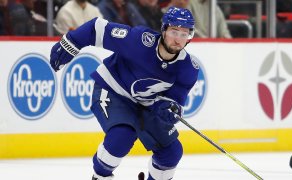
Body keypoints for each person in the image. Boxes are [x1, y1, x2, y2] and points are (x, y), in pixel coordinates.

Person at [50, 6, 200, 180]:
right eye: (174, 31)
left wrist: (170, 108)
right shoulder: (138, 40)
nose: (178, 40)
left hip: (146, 105)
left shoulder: (188, 68)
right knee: (121, 136)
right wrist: (70, 42)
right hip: (112, 90)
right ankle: (100, 176)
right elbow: (96, 28)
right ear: (164, 29)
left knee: (172, 152)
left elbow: (176, 99)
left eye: (184, 34)